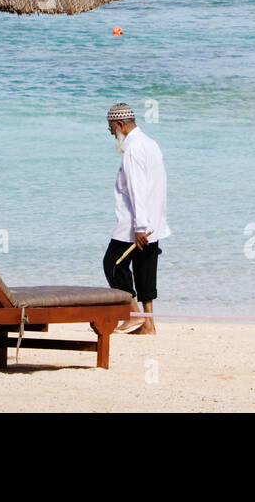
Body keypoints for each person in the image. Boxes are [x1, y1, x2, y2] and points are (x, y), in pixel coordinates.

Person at [102, 103, 170, 335]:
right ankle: (149, 325)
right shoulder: (151, 144)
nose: (111, 133)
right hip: (154, 223)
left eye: (111, 127)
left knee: (112, 265)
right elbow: (158, 186)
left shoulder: (133, 150)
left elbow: (137, 189)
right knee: (145, 270)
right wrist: (153, 222)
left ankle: (132, 315)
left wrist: (140, 227)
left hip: (134, 225)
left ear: (120, 125)